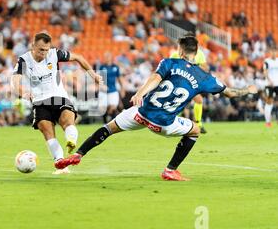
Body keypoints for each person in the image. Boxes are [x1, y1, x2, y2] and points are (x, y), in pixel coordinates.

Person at [55, 33, 257, 181]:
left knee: (108, 128)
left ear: (180, 50)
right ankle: (170, 170)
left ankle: (78, 154)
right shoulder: (205, 78)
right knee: (195, 130)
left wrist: (140, 93)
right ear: (197, 53)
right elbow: (230, 92)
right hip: (163, 124)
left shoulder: (169, 62)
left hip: (142, 113)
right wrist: (247, 89)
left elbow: (155, 78)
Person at [11, 32, 102, 174]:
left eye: (46, 50)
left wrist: (93, 75)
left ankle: (71, 140)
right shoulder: (23, 60)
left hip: (58, 96)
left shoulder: (55, 54)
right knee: (47, 131)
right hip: (39, 101)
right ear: (32, 46)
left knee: (67, 121)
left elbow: (79, 57)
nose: (44, 53)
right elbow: (15, 81)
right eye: (41, 49)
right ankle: (60, 163)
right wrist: (23, 93)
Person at [170, 34, 209, 133]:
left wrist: (195, 67)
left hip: (191, 82)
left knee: (198, 100)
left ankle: (198, 123)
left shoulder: (199, 54)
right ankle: (172, 122)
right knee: (179, 103)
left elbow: (205, 68)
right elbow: (170, 69)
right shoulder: (175, 55)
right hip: (179, 81)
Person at [97, 52, 126, 123]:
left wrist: (122, 88)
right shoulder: (102, 67)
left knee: (113, 107)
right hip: (103, 91)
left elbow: (119, 78)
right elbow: (98, 78)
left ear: (111, 57)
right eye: (105, 57)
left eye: (108, 56)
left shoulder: (115, 67)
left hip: (113, 90)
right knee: (103, 108)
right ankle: (105, 121)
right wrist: (101, 85)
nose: (106, 58)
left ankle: (109, 121)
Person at [263, 46, 278, 127]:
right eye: (272, 51)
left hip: (277, 84)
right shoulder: (267, 61)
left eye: (275, 51)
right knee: (269, 101)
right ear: (270, 52)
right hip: (270, 85)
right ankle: (268, 122)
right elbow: (265, 72)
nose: (274, 53)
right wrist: (269, 80)